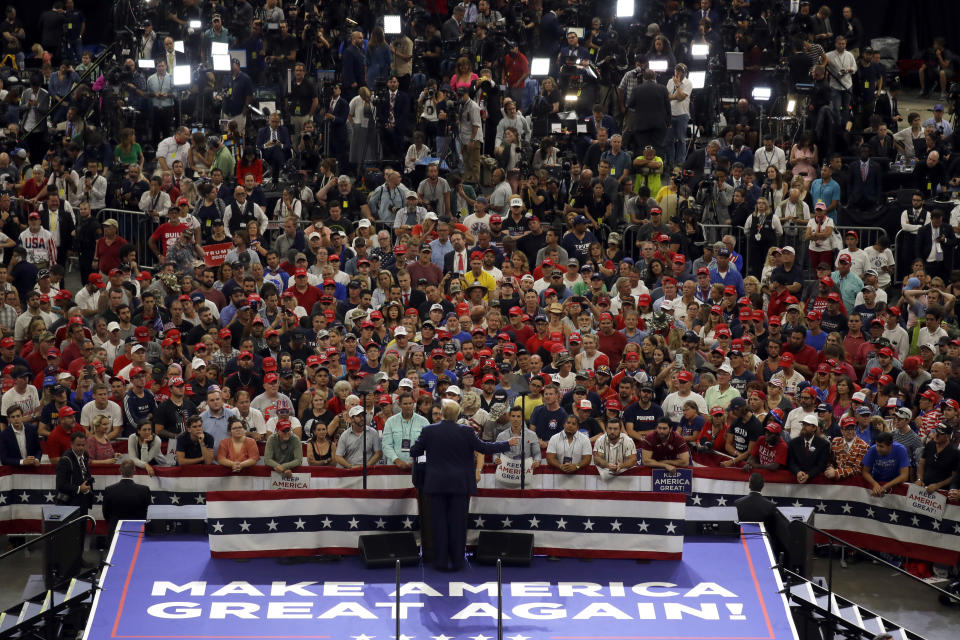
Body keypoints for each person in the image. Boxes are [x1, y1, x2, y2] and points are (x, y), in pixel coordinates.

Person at [410, 399, 516, 571]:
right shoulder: (467, 431)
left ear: (442, 414)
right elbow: (483, 447)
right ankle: (458, 560)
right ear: (458, 414)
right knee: (458, 523)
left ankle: (441, 561)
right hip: (460, 485)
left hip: (436, 485)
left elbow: (415, 451)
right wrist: (506, 444)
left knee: (439, 523)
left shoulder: (428, 430)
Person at [102, 458, 151, 536]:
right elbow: (147, 512)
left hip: (115, 531)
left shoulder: (109, 490)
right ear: (134, 470)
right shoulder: (144, 490)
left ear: (120, 470)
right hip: (137, 531)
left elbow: (106, 514)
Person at [861, 431, 911, 497]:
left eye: (881, 446)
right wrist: (875, 484)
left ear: (890, 446)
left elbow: (904, 476)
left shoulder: (901, 449)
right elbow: (865, 472)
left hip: (895, 483)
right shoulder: (872, 449)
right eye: (877, 445)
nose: (878, 448)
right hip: (877, 481)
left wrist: (885, 486)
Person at [55, 430, 94, 511]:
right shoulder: (65, 460)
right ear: (71, 444)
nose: (81, 448)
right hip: (69, 504)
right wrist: (79, 488)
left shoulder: (85, 454)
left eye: (83, 445)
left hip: (83, 501)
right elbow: (61, 485)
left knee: (83, 523)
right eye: (78, 445)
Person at [786, 414, 831, 483]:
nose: (804, 427)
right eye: (803, 424)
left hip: (815, 481)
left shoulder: (824, 444)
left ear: (814, 428)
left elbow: (821, 465)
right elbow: (791, 462)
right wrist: (797, 472)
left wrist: (809, 475)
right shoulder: (793, 443)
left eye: (807, 425)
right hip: (795, 479)